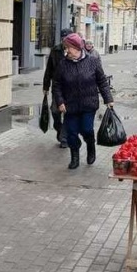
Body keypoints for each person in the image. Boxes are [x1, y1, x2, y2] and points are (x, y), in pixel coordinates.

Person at [52, 32, 114, 170]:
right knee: (72, 133)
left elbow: (102, 81)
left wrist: (108, 99)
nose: (67, 51)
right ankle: (75, 156)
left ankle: (90, 146)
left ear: (78, 48)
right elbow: (56, 85)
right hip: (70, 106)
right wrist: (60, 101)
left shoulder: (92, 61)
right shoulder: (63, 64)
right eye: (65, 48)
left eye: (69, 48)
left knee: (87, 129)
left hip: (88, 104)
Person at [43, 27, 73, 148]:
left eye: (67, 38)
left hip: (71, 88)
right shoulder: (55, 50)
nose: (64, 40)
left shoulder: (76, 50)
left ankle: (64, 138)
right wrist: (46, 86)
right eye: (63, 38)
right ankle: (59, 130)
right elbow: (49, 69)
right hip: (57, 87)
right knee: (55, 111)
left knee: (67, 113)